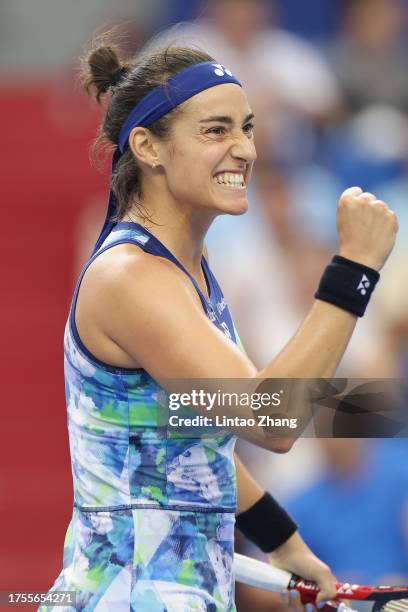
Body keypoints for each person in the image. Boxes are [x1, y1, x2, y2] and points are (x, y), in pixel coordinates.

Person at [39, 36, 398, 611]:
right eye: (216, 130)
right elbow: (274, 419)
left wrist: (282, 540)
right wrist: (353, 268)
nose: (246, 149)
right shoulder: (133, 278)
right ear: (148, 147)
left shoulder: (187, 270)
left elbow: (177, 434)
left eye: (248, 128)